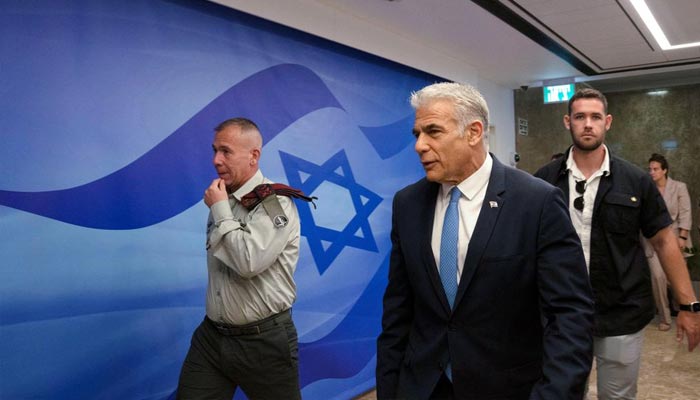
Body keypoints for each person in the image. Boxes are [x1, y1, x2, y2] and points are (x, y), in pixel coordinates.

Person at [376, 82, 594, 400]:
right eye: (417, 134)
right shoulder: (407, 204)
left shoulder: (536, 202)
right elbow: (398, 312)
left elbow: (570, 315)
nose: (419, 146)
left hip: (506, 389)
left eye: (433, 131)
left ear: (474, 132)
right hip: (423, 387)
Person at [534, 88, 700, 399]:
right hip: (560, 313)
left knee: (618, 396)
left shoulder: (635, 180)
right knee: (561, 393)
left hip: (621, 311)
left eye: (595, 117)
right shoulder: (543, 181)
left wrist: (689, 306)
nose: (588, 124)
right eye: (580, 117)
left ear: (607, 122)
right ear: (567, 121)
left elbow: (665, 241)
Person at [177, 117, 314, 400]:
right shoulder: (223, 199)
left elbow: (247, 263)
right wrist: (222, 208)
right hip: (212, 337)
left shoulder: (275, 203)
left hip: (262, 341)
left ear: (254, 155)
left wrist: (220, 211)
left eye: (226, 151)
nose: (216, 160)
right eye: (215, 150)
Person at [644, 153, 694, 331]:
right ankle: (665, 317)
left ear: (665, 170)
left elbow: (686, 213)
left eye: (655, 169)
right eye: (650, 169)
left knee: (676, 279)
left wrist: (682, 237)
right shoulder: (647, 189)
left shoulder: (679, 187)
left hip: (675, 238)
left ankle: (682, 311)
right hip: (652, 240)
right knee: (658, 277)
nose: (652, 172)